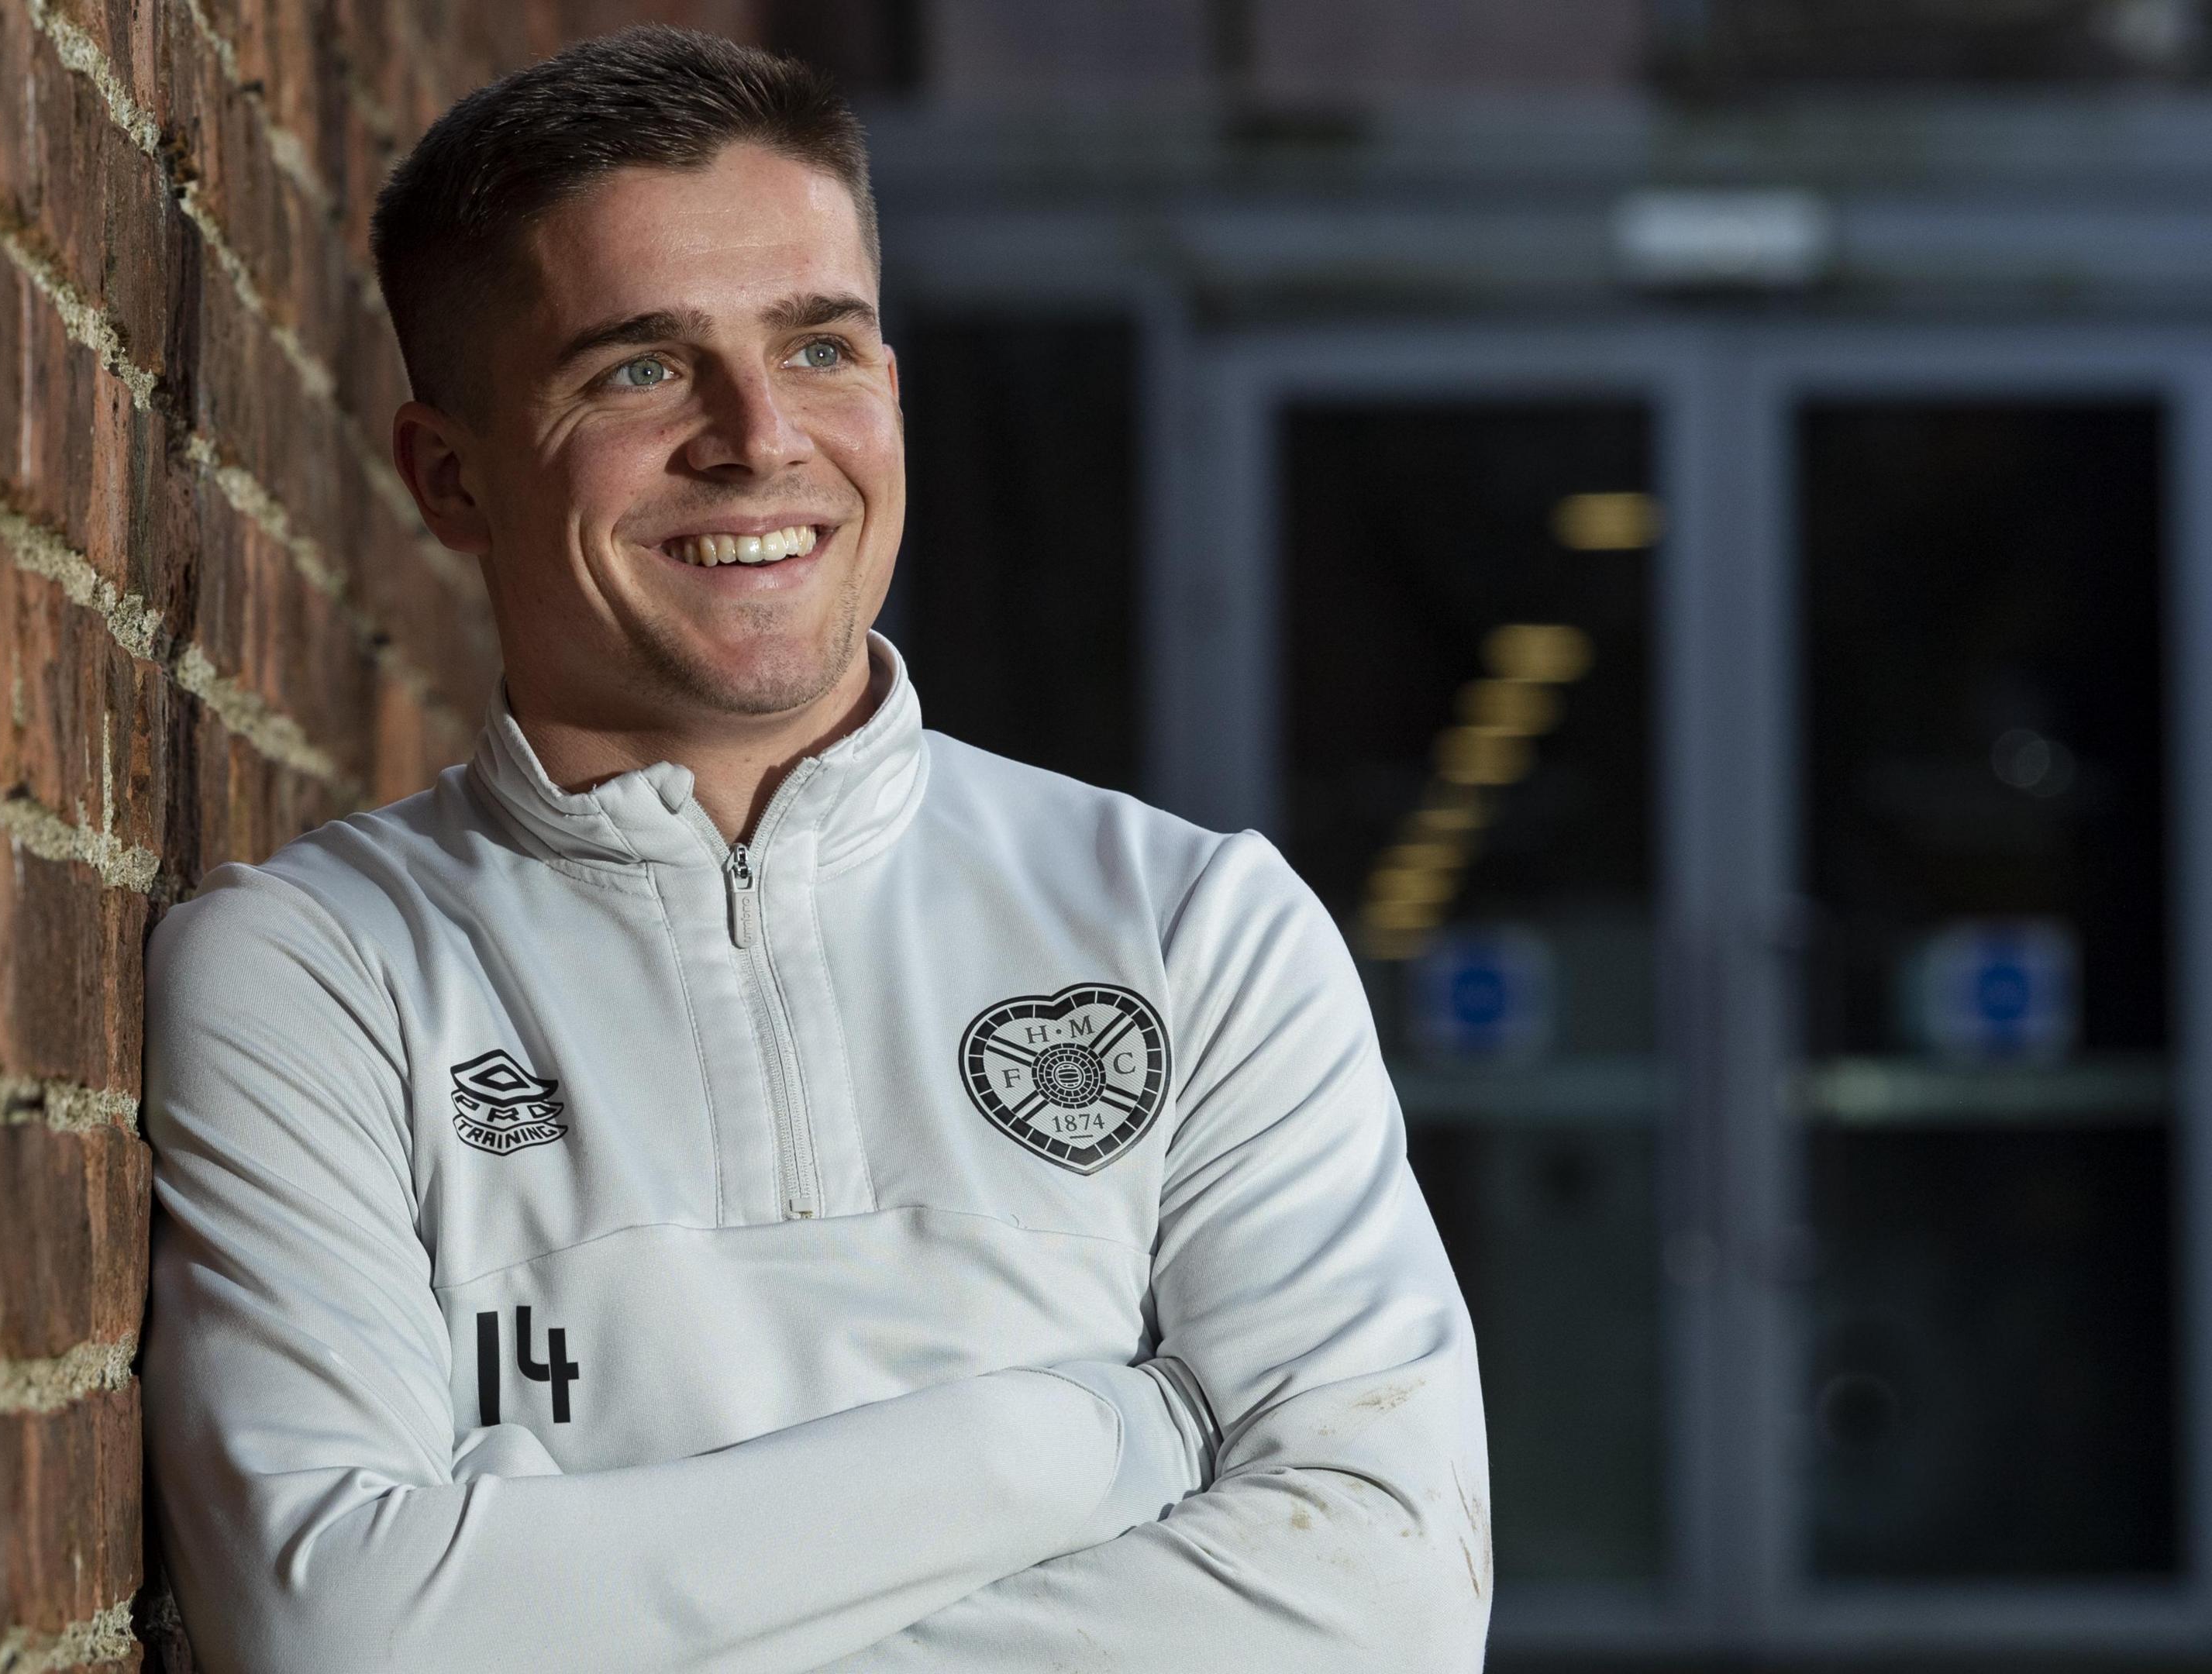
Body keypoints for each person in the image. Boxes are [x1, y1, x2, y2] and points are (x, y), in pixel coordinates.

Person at [141, 26, 1489, 1672]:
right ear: (452, 478)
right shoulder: (318, 974)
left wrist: (551, 1596)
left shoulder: (1196, 930)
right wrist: (1074, 1442)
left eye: (821, 348)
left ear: (890, 394)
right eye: (639, 369)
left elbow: (1384, 1605)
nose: (760, 436)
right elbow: (350, 1636)